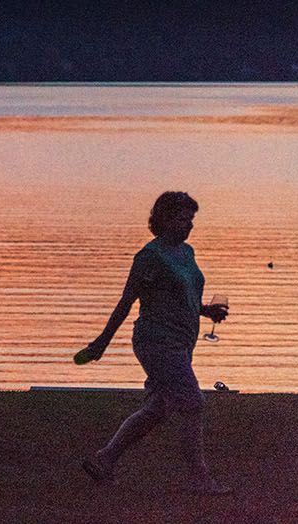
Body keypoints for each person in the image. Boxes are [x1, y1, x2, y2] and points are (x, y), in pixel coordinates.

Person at [76, 191, 231, 495]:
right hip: (156, 342)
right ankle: (201, 480)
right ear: (164, 218)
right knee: (192, 404)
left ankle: (104, 460)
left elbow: (182, 296)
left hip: (181, 343)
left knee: (157, 409)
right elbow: (127, 301)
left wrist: (205, 309)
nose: (189, 225)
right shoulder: (150, 256)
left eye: (191, 219)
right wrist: (101, 343)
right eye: (183, 218)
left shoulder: (187, 253)